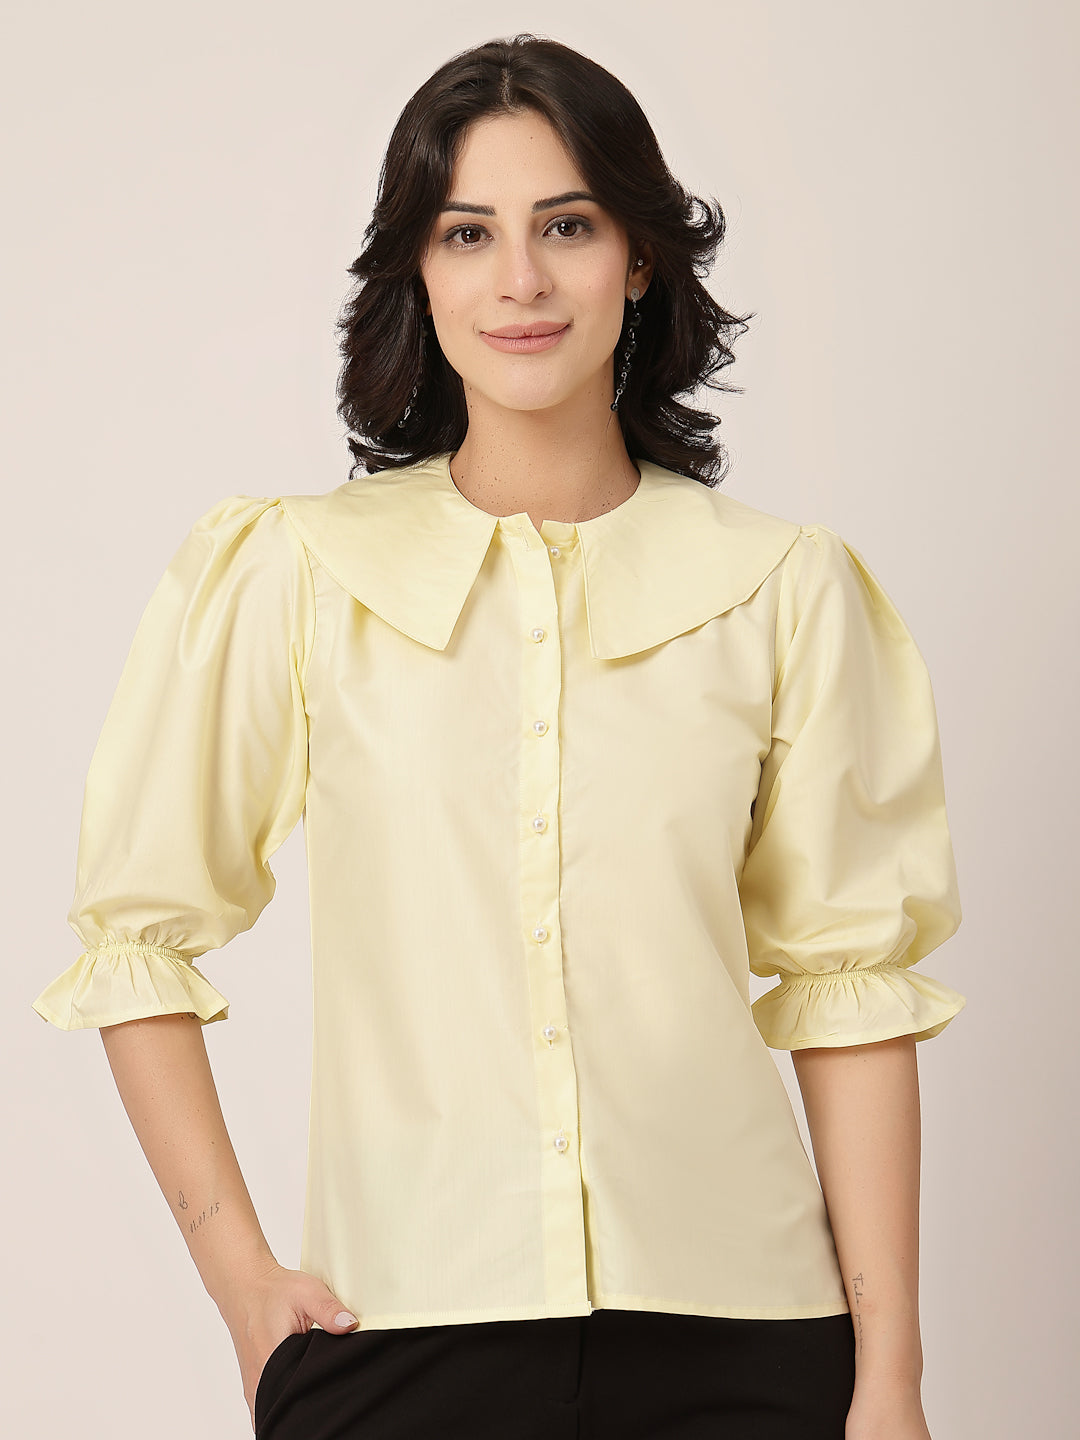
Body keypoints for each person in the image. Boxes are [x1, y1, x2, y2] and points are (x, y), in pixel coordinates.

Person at [32, 32, 966, 1440]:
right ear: (418, 269)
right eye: (468, 233)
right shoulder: (297, 574)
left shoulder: (782, 590)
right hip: (399, 1329)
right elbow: (134, 936)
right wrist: (243, 1288)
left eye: (567, 226)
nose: (520, 279)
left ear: (637, 260)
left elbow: (852, 985)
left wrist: (889, 1374)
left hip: (746, 1338)